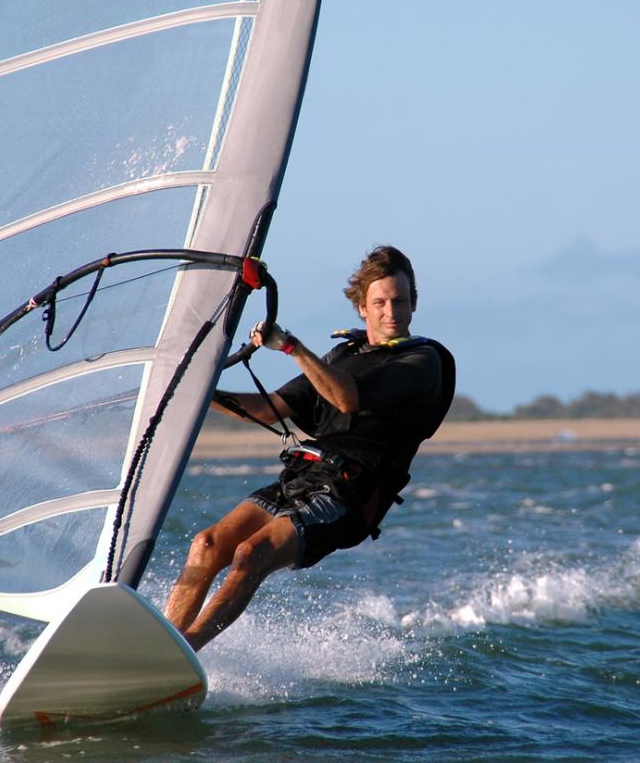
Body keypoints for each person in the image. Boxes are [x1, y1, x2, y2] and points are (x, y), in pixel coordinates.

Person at [164, 246, 455, 651]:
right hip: (305, 477)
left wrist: (291, 347)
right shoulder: (343, 355)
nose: (392, 312)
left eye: (400, 301)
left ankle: (183, 651)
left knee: (252, 553)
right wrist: (195, 389)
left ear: (414, 304)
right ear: (361, 308)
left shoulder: (422, 362)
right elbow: (269, 409)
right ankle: (160, 642)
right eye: (380, 302)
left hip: (350, 495)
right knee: (207, 544)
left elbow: (347, 400)